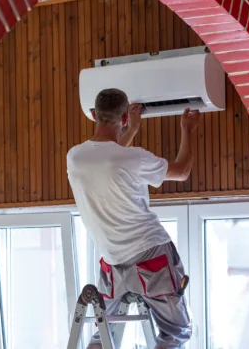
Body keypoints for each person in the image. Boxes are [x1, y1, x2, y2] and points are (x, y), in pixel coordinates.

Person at [67, 88, 200, 349]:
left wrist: (133, 130)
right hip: (152, 256)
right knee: (175, 333)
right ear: (125, 117)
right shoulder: (134, 158)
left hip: (112, 262)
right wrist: (187, 129)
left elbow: (109, 159)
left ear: (94, 115)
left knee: (104, 338)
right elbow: (182, 171)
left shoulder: (75, 157)